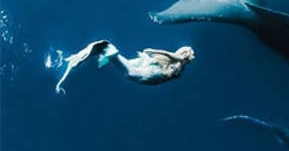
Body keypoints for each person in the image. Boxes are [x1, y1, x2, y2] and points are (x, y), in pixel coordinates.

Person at [54, 40, 195, 94]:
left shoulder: (178, 60)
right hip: (137, 75)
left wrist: (151, 50)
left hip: (136, 73)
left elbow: (166, 53)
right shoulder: (171, 70)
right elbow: (153, 71)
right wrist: (146, 56)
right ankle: (80, 61)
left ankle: (73, 64)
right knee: (104, 48)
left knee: (105, 45)